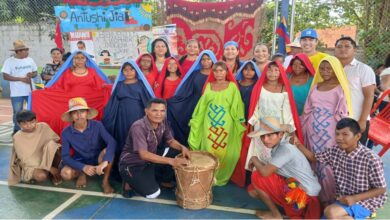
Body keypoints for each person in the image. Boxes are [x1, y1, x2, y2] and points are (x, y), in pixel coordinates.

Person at [296, 118, 387, 219]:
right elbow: (314, 157)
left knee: (330, 212)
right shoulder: (336, 151)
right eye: (337, 134)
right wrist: (297, 144)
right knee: (338, 216)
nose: (339, 138)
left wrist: (354, 198)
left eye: (345, 134)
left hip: (367, 201)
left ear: (357, 136)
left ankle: (365, 214)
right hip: (344, 200)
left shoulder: (371, 159)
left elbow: (381, 189)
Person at [231, 61, 303, 187]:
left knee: (276, 156)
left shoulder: (284, 88)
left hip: (278, 128)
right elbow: (255, 108)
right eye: (270, 70)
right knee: (260, 154)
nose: (273, 73)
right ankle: (258, 183)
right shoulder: (259, 86)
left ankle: (276, 185)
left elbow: (287, 111)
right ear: (265, 72)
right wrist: (253, 125)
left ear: (281, 72)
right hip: (261, 127)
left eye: (276, 70)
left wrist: (290, 130)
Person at [247, 116, 321, 219]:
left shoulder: (285, 149)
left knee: (257, 176)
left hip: (305, 197)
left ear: (280, 135)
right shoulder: (282, 145)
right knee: (252, 190)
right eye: (262, 136)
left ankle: (276, 215)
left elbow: (264, 172)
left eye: (269, 135)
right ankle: (289, 211)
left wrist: (254, 159)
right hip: (302, 192)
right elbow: (289, 129)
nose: (265, 140)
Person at [301, 56, 352, 204]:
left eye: (329, 68)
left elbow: (343, 113)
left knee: (329, 164)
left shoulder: (340, 88)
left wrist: (342, 134)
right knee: (313, 161)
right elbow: (307, 109)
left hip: (331, 131)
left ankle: (329, 198)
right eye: (322, 68)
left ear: (336, 70)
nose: (325, 71)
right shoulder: (316, 87)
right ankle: (315, 197)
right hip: (312, 129)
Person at [119, 98, 190, 198]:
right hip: (133, 163)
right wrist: (172, 161)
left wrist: (182, 147)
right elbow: (143, 154)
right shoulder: (138, 126)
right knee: (153, 194)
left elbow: (170, 140)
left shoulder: (163, 121)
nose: (159, 114)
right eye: (154, 110)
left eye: (162, 111)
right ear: (146, 111)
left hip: (150, 159)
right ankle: (128, 182)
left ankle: (160, 178)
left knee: (178, 151)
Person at [188, 61, 246, 186]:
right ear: (212, 72)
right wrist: (196, 120)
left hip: (226, 124)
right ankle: (208, 174)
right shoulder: (208, 86)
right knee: (209, 148)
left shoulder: (232, 87)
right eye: (216, 71)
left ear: (226, 72)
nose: (219, 73)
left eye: (221, 70)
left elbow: (237, 105)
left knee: (224, 150)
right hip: (208, 124)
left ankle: (220, 176)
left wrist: (241, 121)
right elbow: (202, 105)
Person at [30, 51, 112, 135]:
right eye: (77, 58)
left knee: (91, 117)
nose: (79, 60)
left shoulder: (92, 72)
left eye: (82, 58)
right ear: (73, 60)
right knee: (64, 118)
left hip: (89, 101)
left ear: (86, 60)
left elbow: (101, 85)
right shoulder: (67, 72)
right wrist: (40, 93)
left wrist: (112, 87)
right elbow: (58, 87)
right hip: (70, 101)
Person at [60, 97, 116, 194]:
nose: (79, 115)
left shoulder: (97, 125)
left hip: (98, 158)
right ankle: (81, 174)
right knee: (66, 174)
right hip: (80, 160)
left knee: (108, 151)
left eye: (82, 111)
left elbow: (112, 142)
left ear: (86, 113)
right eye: (75, 112)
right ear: (71, 115)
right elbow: (65, 156)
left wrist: (105, 161)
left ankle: (105, 181)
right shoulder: (66, 132)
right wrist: (83, 167)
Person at [102, 60, 154, 161]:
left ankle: (139, 162)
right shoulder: (119, 85)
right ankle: (124, 162)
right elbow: (113, 103)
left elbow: (147, 101)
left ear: (136, 71)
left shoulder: (141, 84)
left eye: (131, 69)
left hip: (138, 115)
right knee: (123, 137)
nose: (128, 72)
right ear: (122, 72)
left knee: (138, 136)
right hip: (122, 117)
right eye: (125, 70)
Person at [167, 50, 217, 146]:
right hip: (195, 105)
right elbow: (186, 90)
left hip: (211, 106)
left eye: (208, 59)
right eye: (203, 59)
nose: (205, 62)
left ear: (213, 60)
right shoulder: (195, 74)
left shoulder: (217, 74)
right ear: (199, 61)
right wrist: (173, 102)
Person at [335, 36, 376, 146]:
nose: (343, 49)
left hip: (356, 120)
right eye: (339, 46)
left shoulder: (363, 69)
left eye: (347, 46)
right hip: (336, 120)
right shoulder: (332, 69)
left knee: (354, 156)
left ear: (355, 50)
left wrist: (362, 120)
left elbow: (369, 96)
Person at [8, 110, 62, 186]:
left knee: (56, 147)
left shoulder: (43, 126)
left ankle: (53, 172)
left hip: (44, 157)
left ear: (36, 120)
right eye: (24, 123)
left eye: (32, 122)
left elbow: (55, 140)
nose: (29, 125)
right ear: (18, 124)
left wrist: (48, 159)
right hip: (31, 163)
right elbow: (26, 160)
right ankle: (48, 172)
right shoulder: (17, 137)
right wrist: (49, 168)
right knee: (41, 176)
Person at [2, 40, 38, 134]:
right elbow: (5, 76)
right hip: (16, 92)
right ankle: (17, 130)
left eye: (26, 50)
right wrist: (20, 79)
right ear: (18, 52)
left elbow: (35, 72)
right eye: (24, 50)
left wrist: (32, 74)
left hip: (30, 91)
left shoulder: (30, 60)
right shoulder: (9, 61)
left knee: (33, 110)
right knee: (17, 112)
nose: (26, 52)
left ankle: (33, 128)